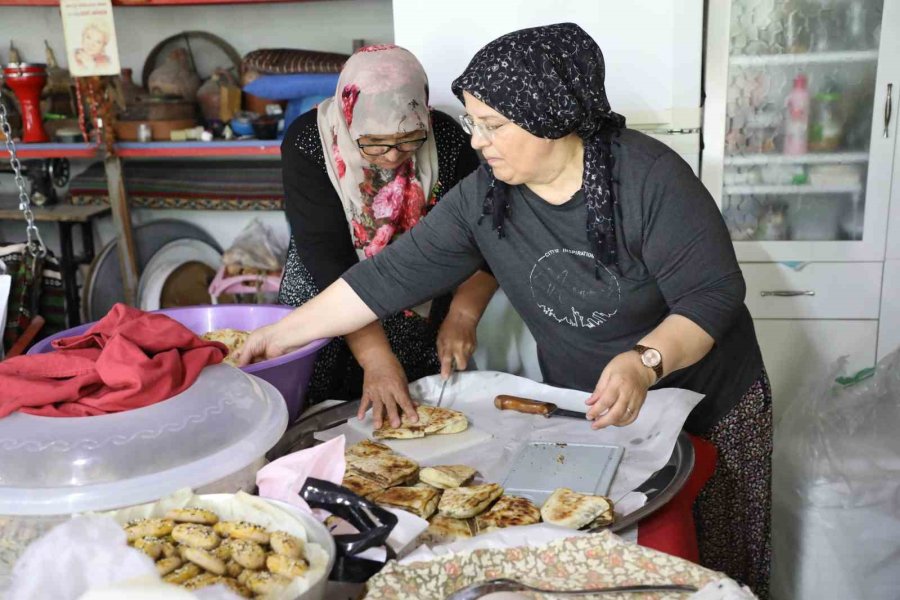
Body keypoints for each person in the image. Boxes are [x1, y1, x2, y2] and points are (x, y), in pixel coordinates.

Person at [245, 24, 770, 597]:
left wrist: (644, 361)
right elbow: (385, 277)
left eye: (493, 125)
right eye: (474, 123)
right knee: (607, 563)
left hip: (707, 395)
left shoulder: (649, 179)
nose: (476, 141)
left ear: (552, 117)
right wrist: (277, 336)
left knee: (720, 561)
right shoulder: (486, 196)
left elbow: (712, 294)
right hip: (589, 403)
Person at [278, 44, 491, 429]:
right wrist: (375, 358)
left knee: (414, 420)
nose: (393, 156)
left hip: (419, 298)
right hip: (327, 296)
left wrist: (463, 314)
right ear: (348, 120)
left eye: (409, 139)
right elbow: (327, 258)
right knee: (322, 421)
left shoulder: (448, 138)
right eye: (374, 142)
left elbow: (484, 234)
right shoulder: (309, 141)